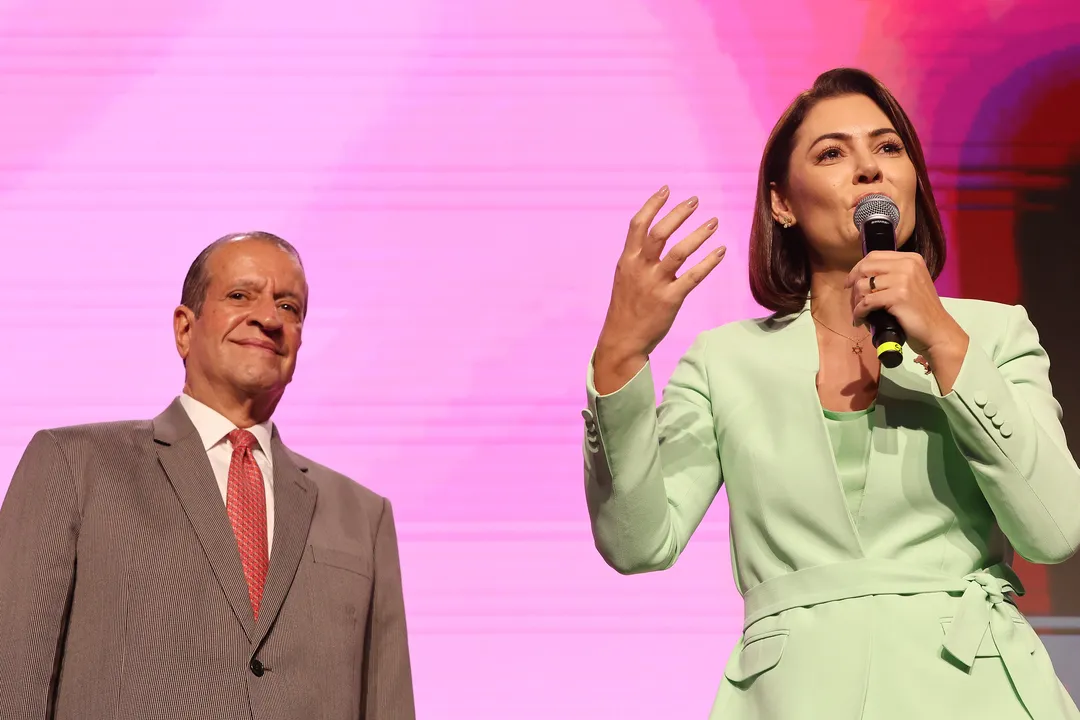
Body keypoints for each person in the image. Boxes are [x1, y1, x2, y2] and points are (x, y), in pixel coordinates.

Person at [582, 68, 1080, 718]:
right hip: (793, 695)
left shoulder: (993, 332)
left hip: (975, 688)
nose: (869, 169)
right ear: (782, 203)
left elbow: (1055, 529)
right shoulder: (726, 361)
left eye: (889, 148)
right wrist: (620, 355)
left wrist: (946, 343)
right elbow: (637, 543)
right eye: (832, 153)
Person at [0, 232, 415, 720]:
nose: (268, 318)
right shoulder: (75, 464)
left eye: (289, 306)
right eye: (240, 296)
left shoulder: (363, 516)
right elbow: (13, 682)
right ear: (184, 329)